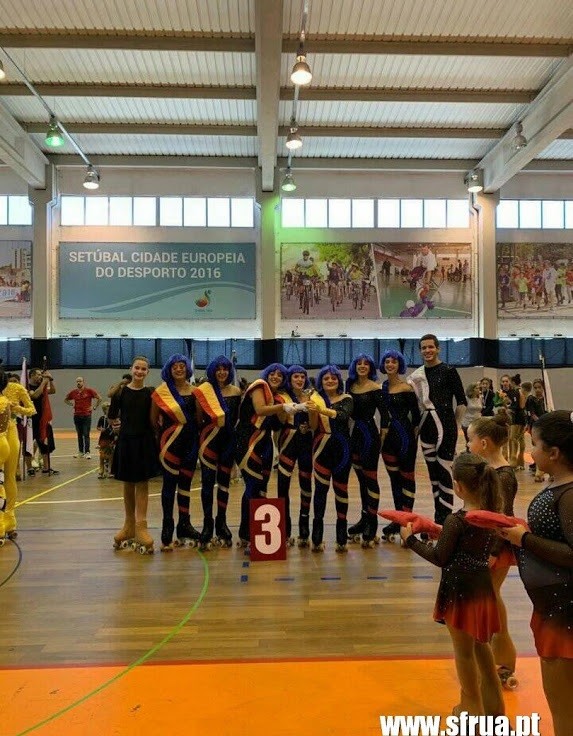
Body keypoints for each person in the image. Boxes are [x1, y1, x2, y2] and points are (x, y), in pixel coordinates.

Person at [400, 453, 504, 718]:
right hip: (482, 587)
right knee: (481, 648)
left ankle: (472, 710)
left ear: (457, 486)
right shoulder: (491, 516)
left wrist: (410, 540)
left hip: (460, 592)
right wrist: (440, 532)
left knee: (464, 654)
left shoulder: (456, 521)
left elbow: (439, 557)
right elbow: (466, 545)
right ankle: (494, 710)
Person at [501, 411, 573, 736]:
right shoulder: (561, 487)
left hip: (565, 615)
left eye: (535, 445)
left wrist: (525, 539)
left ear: (554, 453)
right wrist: (521, 535)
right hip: (553, 607)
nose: (531, 452)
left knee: (564, 709)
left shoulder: (569, 494)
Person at [467, 414, 518, 689]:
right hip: (485, 542)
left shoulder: (504, 475)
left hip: (496, 546)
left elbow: (503, 516)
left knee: (492, 599)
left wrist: (493, 552)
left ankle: (504, 662)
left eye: (471, 440)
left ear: (484, 443)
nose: (468, 444)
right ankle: (492, 659)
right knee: (489, 599)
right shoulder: (488, 470)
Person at [235, 363, 296, 546]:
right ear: (267, 374)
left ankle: (258, 532)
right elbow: (260, 410)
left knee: (262, 488)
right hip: (247, 440)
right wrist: (283, 407)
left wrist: (287, 410)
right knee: (252, 486)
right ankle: (246, 533)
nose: (276, 377)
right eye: (273, 373)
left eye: (280, 375)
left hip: (265, 444)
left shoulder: (277, 398)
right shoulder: (259, 386)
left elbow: (277, 425)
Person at [408, 334, 467, 524]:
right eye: (423, 348)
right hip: (426, 427)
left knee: (444, 472)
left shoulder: (449, 371)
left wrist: (454, 425)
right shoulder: (417, 376)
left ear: (438, 348)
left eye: (430, 347)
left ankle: (446, 520)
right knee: (433, 475)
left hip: (446, 427)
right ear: (420, 351)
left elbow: (462, 401)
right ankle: (438, 518)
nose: (427, 351)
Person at [151, 354, 199, 551]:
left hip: (190, 443)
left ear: (187, 369)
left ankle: (184, 524)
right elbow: (153, 420)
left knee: (186, 484)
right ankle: (167, 525)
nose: (179, 369)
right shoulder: (161, 392)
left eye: (182, 366)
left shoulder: (196, 391)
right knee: (169, 485)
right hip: (169, 443)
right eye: (175, 367)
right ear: (169, 370)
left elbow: (198, 418)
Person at [109, 356, 157, 554]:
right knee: (128, 483)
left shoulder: (151, 393)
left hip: (144, 441)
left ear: (147, 372)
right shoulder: (120, 392)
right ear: (131, 369)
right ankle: (128, 525)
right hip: (126, 441)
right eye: (137, 368)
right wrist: (116, 425)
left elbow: (154, 419)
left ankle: (141, 526)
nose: (139, 371)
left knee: (142, 483)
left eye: (143, 369)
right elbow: (112, 416)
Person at [195, 355, 241, 548]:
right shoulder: (203, 391)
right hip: (208, 441)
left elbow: (238, 419)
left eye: (225, 369)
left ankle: (221, 522)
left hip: (228, 443)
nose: (222, 372)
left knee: (224, 484)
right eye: (218, 369)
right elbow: (198, 419)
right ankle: (208, 524)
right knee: (207, 482)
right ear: (212, 370)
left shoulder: (236, 391)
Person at [307, 365, 353, 552]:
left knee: (341, 491)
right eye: (326, 378)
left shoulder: (347, 398)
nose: (330, 381)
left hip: (343, 449)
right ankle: (317, 536)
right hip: (321, 448)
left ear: (339, 381)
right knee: (320, 491)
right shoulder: (315, 399)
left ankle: (341, 536)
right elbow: (313, 426)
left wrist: (321, 409)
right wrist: (312, 411)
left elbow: (343, 416)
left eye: (333, 378)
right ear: (321, 381)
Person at [379, 349, 420, 541]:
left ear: (399, 365)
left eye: (394, 362)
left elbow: (416, 417)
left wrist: (413, 439)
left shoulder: (407, 388)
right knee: (394, 481)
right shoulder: (382, 387)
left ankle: (407, 521)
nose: (390, 364)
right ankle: (398, 519)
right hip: (388, 440)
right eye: (387, 361)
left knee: (407, 480)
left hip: (405, 438)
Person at [346, 354, 385, 546]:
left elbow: (385, 416)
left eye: (366, 364)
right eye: (359, 363)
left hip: (370, 437)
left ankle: (372, 522)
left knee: (371, 480)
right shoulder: (349, 387)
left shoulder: (376, 388)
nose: (362, 366)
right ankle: (364, 518)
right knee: (361, 481)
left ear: (371, 368)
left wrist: (381, 439)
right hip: (354, 436)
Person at [276, 364, 313, 546]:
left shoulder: (312, 395)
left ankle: (304, 528)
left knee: (306, 485)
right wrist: (295, 407)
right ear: (289, 379)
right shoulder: (281, 396)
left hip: (306, 441)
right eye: (295, 376)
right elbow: (281, 419)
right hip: (287, 441)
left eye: (302, 376)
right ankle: (284, 529)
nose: (299, 379)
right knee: (283, 486)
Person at [2, 371, 35, 538]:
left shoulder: (16, 388)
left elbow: (31, 410)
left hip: (10, 432)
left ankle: (9, 519)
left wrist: (16, 408)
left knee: (9, 477)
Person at [0, 371, 21, 543]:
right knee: (7, 479)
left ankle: (2, 525)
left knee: (4, 481)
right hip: (7, 438)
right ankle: (9, 521)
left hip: (4, 440)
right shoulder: (6, 400)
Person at [27, 367, 58, 475]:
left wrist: (50, 380)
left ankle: (46, 467)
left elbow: (53, 391)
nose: (41, 376)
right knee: (28, 445)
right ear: (32, 375)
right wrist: (44, 382)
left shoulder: (42, 386)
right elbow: (35, 395)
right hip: (31, 420)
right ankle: (30, 468)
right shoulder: (26, 387)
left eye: (41, 374)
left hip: (43, 419)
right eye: (38, 375)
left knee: (45, 444)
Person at [65, 376, 102, 459]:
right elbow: (66, 399)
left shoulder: (89, 391)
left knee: (86, 434)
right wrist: (71, 404)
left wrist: (94, 407)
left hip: (86, 416)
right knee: (79, 434)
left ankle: (87, 452)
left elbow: (99, 398)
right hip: (77, 416)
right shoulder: (73, 392)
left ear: (83, 382)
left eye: (80, 381)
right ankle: (81, 452)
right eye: (77, 381)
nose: (78, 383)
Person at [96, 401, 114, 479]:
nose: (109, 411)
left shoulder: (113, 418)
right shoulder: (102, 418)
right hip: (103, 438)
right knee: (102, 454)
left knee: (111, 454)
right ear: (104, 410)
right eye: (107, 409)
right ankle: (101, 469)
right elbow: (98, 427)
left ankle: (110, 470)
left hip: (111, 438)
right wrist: (101, 429)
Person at [461, 383, 482, 449]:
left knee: (477, 438)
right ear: (472, 390)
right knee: (468, 439)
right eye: (476, 388)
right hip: (467, 421)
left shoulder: (480, 398)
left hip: (477, 420)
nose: (478, 390)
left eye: (479, 388)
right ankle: (468, 450)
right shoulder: (466, 399)